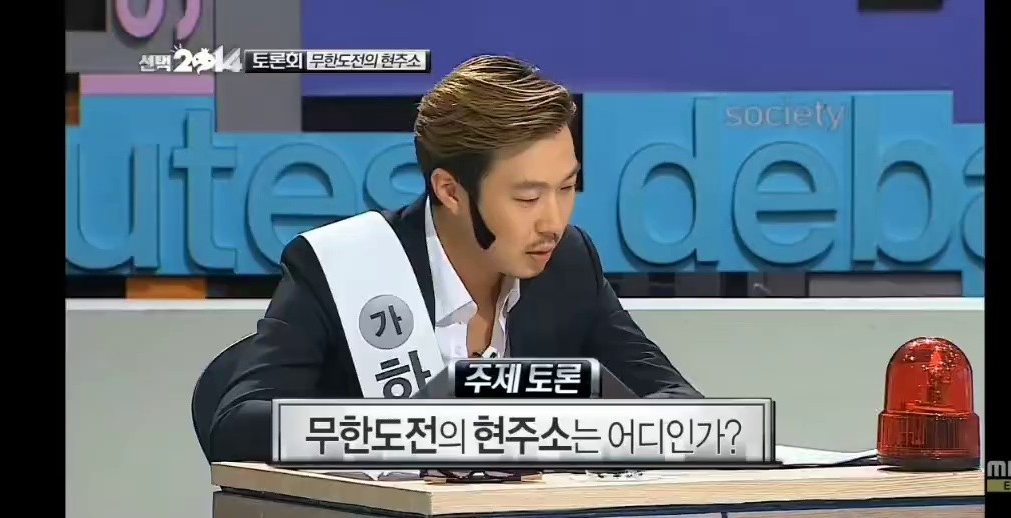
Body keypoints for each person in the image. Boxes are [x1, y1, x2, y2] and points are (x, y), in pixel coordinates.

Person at [207, 55, 701, 462]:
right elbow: (236, 426)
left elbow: (682, 408)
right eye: (528, 198)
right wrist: (426, 429)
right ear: (451, 191)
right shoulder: (342, 267)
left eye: (567, 187)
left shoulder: (569, 263)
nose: (554, 221)